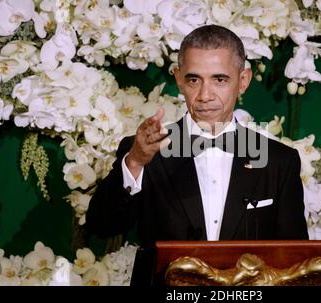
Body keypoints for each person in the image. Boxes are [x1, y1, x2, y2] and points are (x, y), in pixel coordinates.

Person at [85, 25, 308, 283]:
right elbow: (101, 226)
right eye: (194, 80)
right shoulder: (144, 151)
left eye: (219, 80)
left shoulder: (279, 161)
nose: (204, 95)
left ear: (243, 80)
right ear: (179, 79)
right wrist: (135, 162)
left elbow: (294, 264)